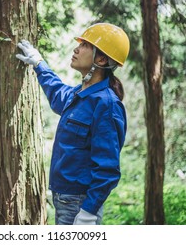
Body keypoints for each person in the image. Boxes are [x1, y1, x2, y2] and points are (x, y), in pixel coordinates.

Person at [16, 23, 129, 225]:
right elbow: (57, 91)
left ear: (101, 59)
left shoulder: (106, 104)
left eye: (85, 45)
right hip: (63, 199)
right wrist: (38, 63)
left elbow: (108, 168)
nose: (77, 48)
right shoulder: (78, 94)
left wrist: (89, 213)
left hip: (80, 204)